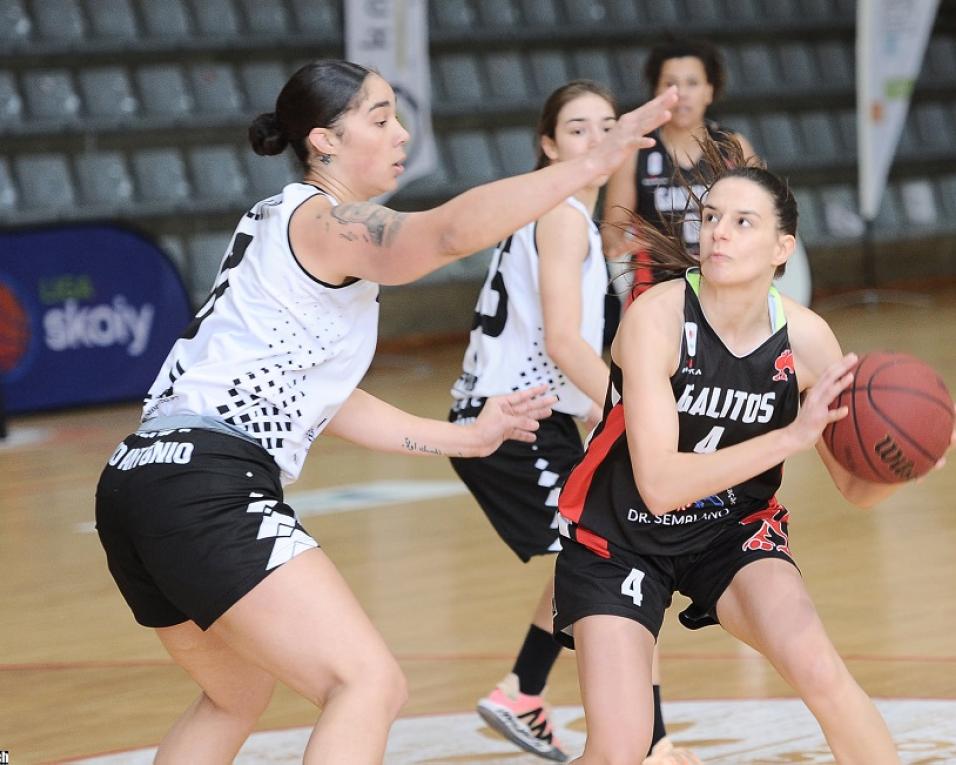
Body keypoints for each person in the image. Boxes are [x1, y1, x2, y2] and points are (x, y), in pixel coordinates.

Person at [94, 60, 678, 765]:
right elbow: (440, 236)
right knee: (366, 683)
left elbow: (328, 400)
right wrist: (593, 161)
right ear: (324, 141)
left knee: (234, 694)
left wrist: (467, 436)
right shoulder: (325, 219)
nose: (401, 133)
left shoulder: (276, 223)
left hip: (137, 478)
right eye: (379, 118)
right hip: (205, 483)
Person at [552, 138, 956, 764]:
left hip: (729, 533)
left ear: (781, 248)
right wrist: (791, 436)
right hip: (619, 537)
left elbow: (855, 488)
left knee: (821, 671)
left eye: (743, 222)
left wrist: (910, 461)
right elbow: (658, 483)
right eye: (711, 218)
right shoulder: (655, 320)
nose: (719, 233)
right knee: (621, 748)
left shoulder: (807, 339)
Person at [448, 80, 697, 765]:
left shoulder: (564, 216)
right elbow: (562, 342)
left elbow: (562, 353)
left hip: (532, 416)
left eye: (606, 126)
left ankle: (527, 688)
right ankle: (648, 739)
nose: (595, 138)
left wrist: (599, 410)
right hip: (510, 425)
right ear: (549, 145)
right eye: (578, 129)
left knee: (601, 556)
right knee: (618, 559)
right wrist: (637, 410)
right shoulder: (561, 215)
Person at [602, 37, 756, 304]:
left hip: (723, 286)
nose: (681, 93)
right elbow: (612, 234)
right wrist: (624, 247)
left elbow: (766, 216)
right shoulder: (638, 149)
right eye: (670, 83)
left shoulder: (733, 146)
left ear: (710, 91)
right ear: (656, 92)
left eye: (692, 83)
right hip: (656, 291)